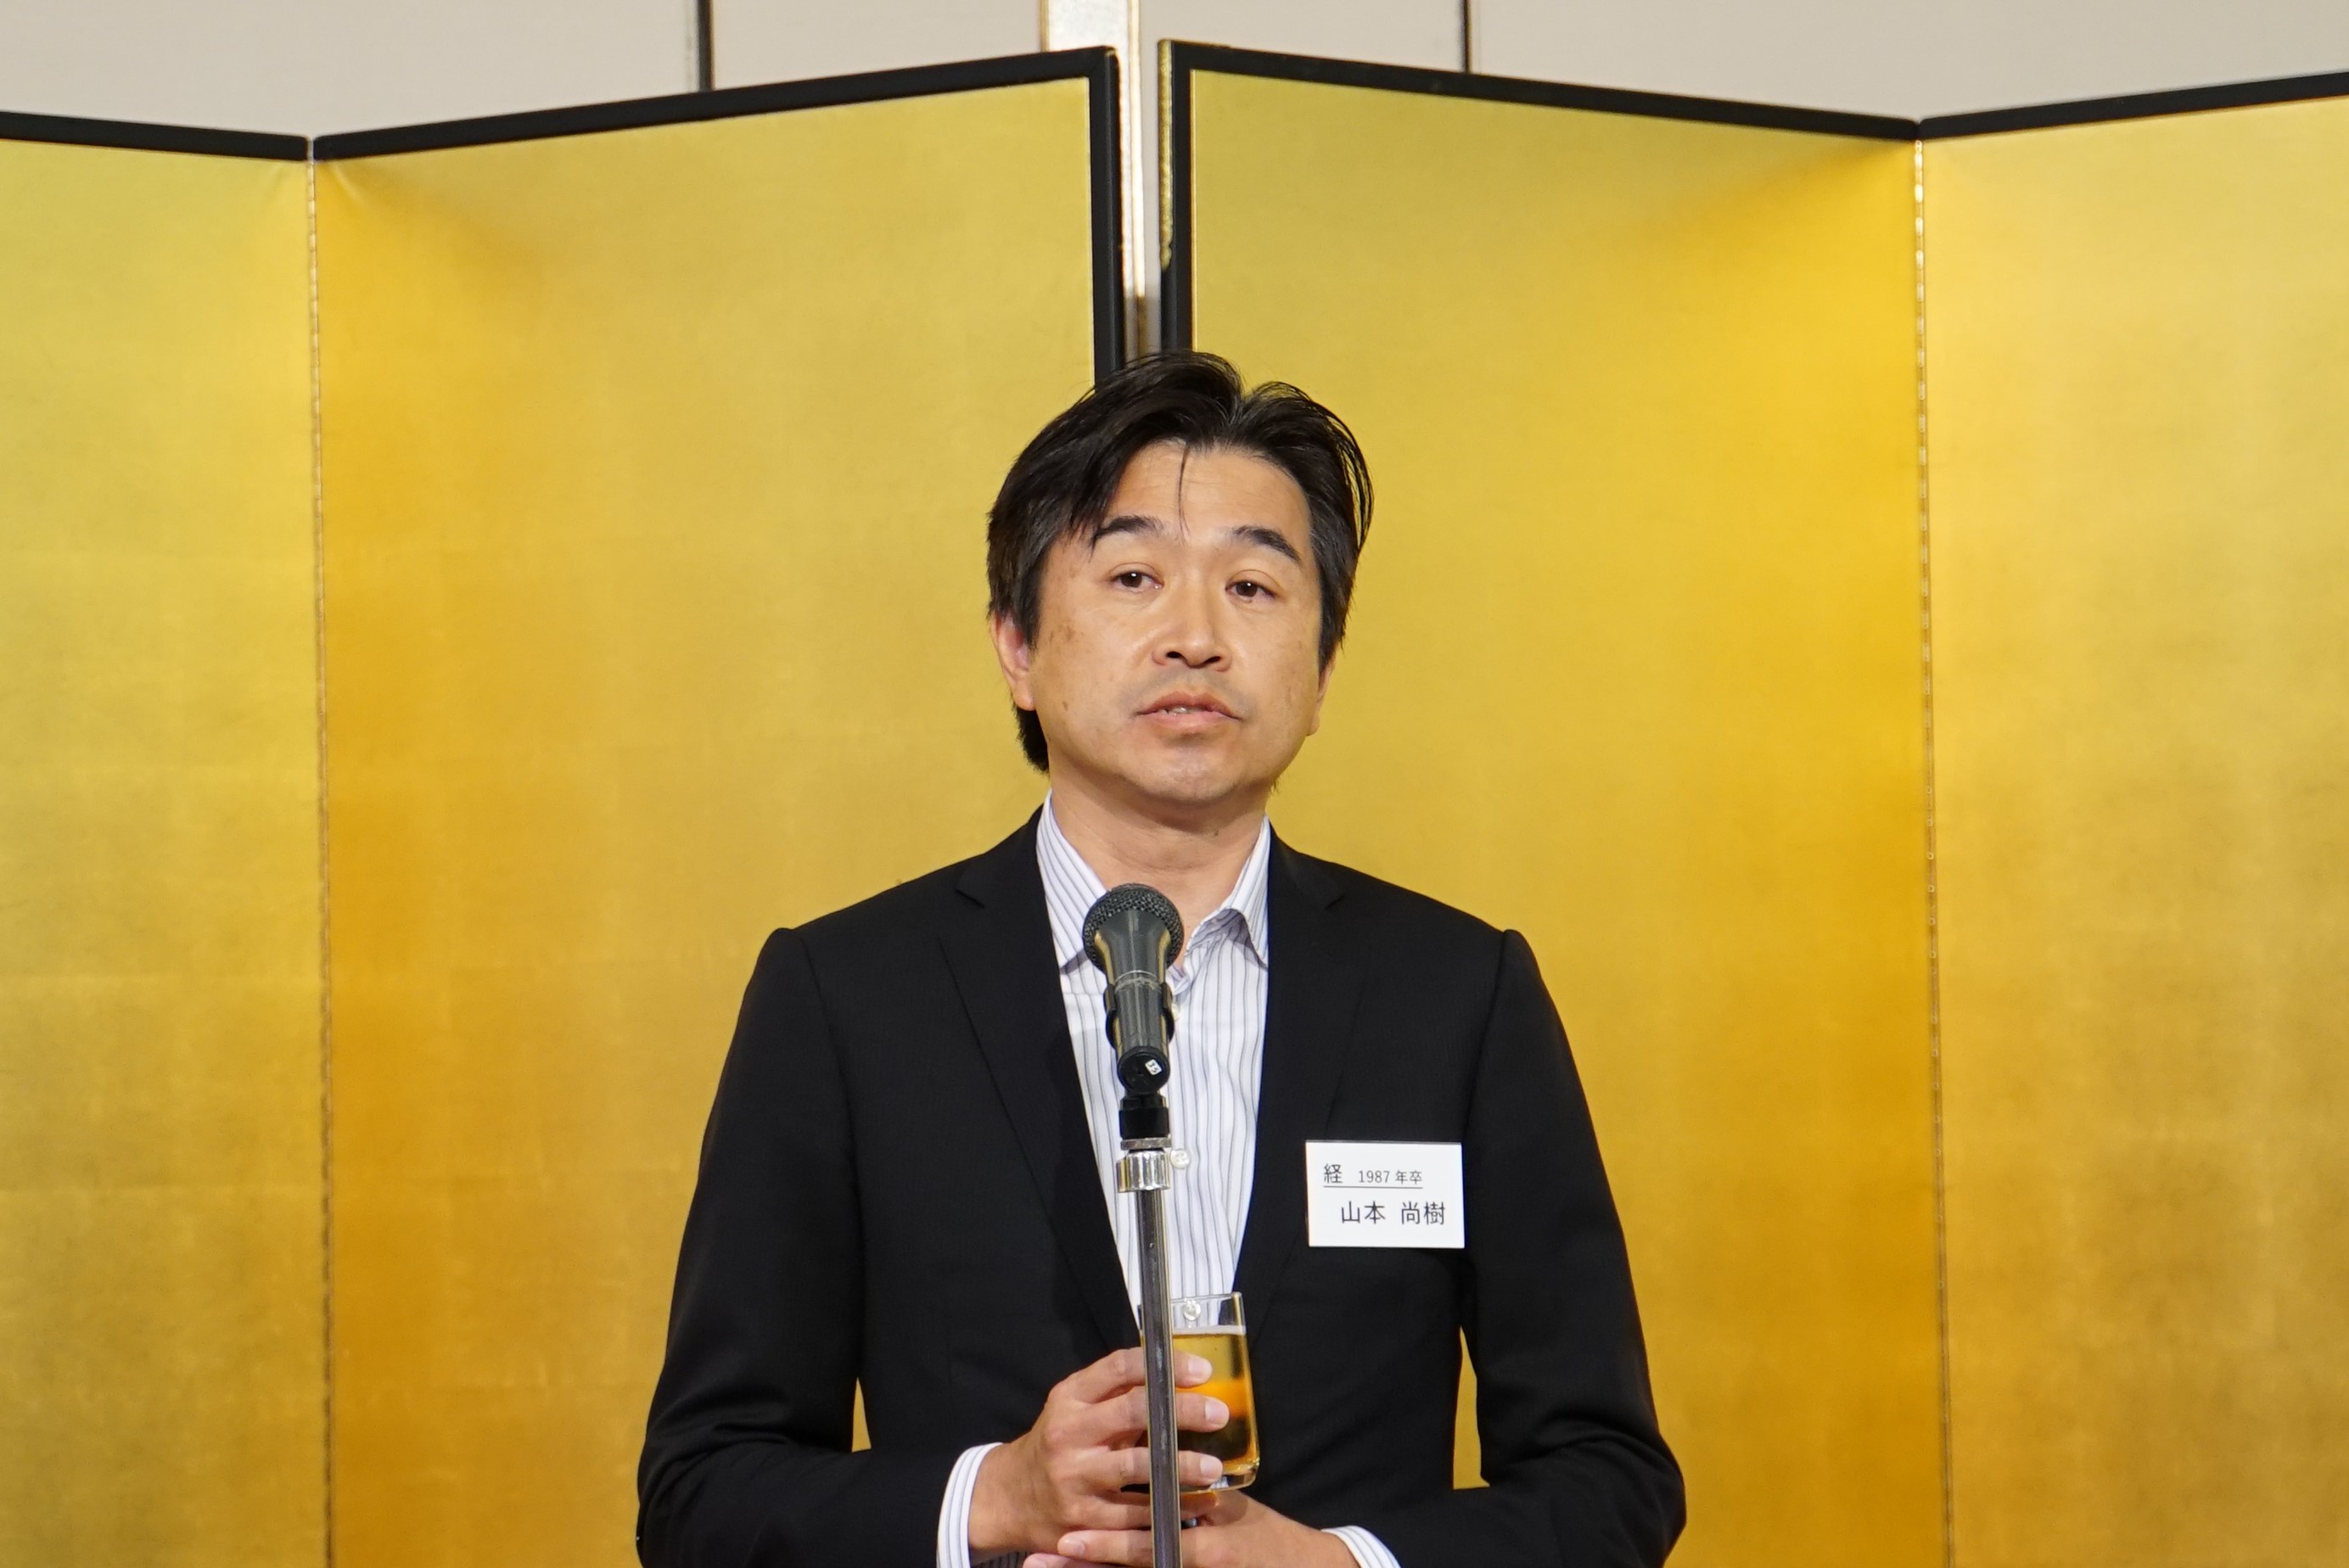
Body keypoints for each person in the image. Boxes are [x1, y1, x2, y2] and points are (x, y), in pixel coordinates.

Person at [636, 353, 1683, 1568]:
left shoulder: (1457, 999)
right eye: (1134, 577)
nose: (1196, 637)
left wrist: (1339, 1566)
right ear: (1017, 645)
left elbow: (1608, 1482)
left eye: (1253, 585)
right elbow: (702, 1493)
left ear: (1323, 670)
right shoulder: (847, 999)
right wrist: (993, 1498)